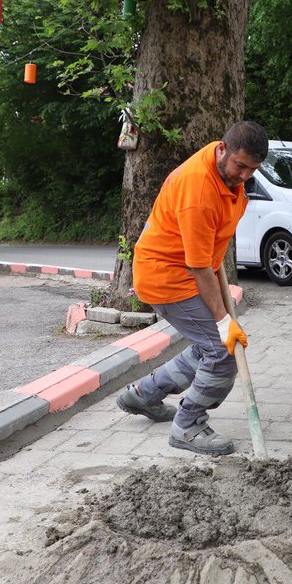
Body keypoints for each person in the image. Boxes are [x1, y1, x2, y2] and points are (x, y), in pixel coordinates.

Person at [118, 121, 268, 455]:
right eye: (240, 166)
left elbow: (213, 248)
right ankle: (187, 427)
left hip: (188, 271)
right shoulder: (198, 189)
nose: (244, 175)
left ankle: (142, 395)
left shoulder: (229, 176)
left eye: (252, 170)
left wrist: (222, 306)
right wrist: (223, 321)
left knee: (207, 348)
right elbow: (197, 265)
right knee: (222, 353)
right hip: (168, 278)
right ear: (222, 149)